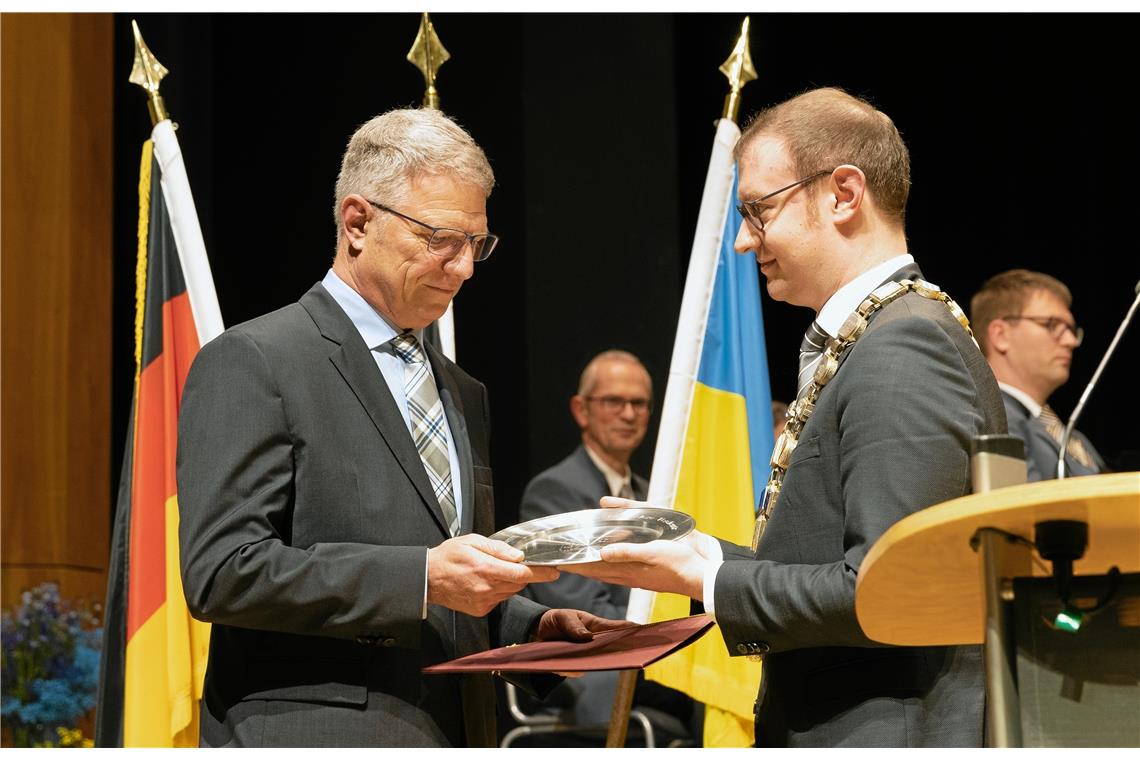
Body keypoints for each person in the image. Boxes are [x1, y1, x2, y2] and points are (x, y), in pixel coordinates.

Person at [566, 87, 1007, 747]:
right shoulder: (881, 333)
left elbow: (888, 589)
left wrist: (709, 577)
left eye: (759, 211)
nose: (745, 241)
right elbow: (840, 558)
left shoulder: (903, 346)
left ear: (844, 194)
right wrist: (699, 552)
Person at [176, 108, 627, 748]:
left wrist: (531, 625)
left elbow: (450, 567)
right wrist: (421, 577)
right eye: (442, 238)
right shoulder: (255, 359)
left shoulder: (463, 391)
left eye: (477, 244)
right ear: (358, 222)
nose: (465, 267)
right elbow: (223, 571)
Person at [518, 351, 695, 735]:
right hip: (593, 667)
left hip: (651, 656)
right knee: (708, 689)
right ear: (581, 410)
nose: (629, 414)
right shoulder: (554, 491)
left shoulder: (653, 496)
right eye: (614, 401)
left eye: (639, 403)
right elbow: (580, 608)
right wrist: (662, 622)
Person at [970, 269, 1107, 480]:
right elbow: (1025, 511)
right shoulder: (991, 421)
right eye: (1052, 325)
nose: (1070, 341)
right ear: (1001, 335)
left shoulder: (1069, 434)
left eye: (1071, 329)